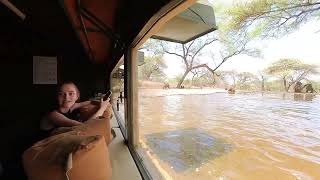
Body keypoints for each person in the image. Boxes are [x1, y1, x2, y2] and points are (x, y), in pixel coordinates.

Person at [40, 81, 111, 134]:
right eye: (61, 94)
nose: (66, 97)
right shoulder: (53, 115)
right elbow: (86, 127)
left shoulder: (72, 106)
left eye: (71, 93)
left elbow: (88, 102)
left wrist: (100, 102)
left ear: (77, 96)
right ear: (57, 97)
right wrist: (102, 108)